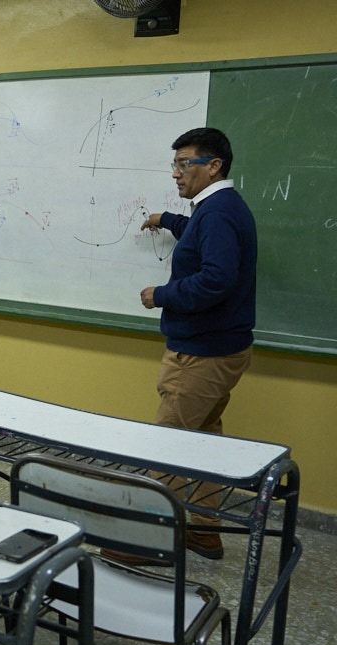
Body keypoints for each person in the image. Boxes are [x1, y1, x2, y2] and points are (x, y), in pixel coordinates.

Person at [136, 127, 257, 562]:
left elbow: (216, 278)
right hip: (222, 346)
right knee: (203, 439)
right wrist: (167, 219)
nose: (176, 173)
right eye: (175, 164)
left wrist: (161, 295)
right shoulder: (217, 208)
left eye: (184, 163)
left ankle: (148, 540)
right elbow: (200, 234)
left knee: (169, 444)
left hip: (202, 354)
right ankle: (203, 531)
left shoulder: (219, 211)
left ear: (213, 166)